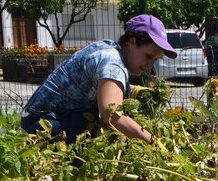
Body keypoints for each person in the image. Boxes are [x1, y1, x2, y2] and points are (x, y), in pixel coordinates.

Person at [20, 14, 177, 146]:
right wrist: (152, 142)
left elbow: (103, 84)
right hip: (42, 125)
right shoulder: (113, 63)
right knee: (102, 123)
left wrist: (133, 90)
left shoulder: (110, 49)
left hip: (37, 119)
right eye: (148, 56)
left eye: (155, 60)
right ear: (132, 42)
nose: (150, 65)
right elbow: (112, 114)